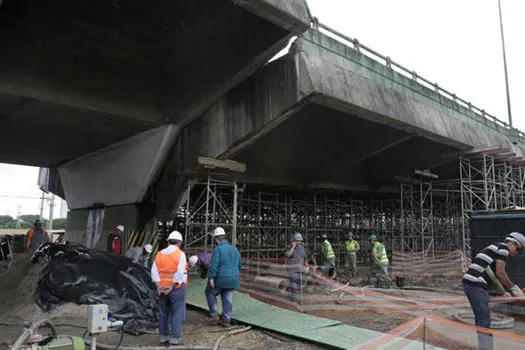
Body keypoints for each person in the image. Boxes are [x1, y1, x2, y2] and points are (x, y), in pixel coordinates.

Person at [462, 232, 525, 350]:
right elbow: (501, 273)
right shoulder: (503, 248)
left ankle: (485, 346)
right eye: (518, 250)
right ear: (512, 243)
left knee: (483, 318)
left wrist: (504, 293)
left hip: (471, 283)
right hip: (476, 284)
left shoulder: (493, 250)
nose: (516, 254)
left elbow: (494, 278)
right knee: (484, 320)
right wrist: (515, 290)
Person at [151, 231, 187, 346]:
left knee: (163, 313)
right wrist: (171, 287)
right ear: (179, 242)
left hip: (162, 289)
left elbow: (154, 272)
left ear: (168, 241)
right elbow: (180, 272)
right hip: (175, 288)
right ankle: (174, 339)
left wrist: (159, 286)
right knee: (176, 313)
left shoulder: (159, 254)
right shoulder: (180, 254)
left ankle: (163, 337)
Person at [204, 227, 242, 327]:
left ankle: (214, 315)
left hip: (221, 279)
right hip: (233, 279)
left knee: (209, 292)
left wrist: (211, 278)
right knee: (227, 297)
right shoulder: (234, 249)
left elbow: (214, 265)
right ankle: (226, 320)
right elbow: (240, 265)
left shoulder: (217, 249)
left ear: (216, 239)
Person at [284, 232, 308, 303]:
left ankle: (290, 290)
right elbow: (288, 255)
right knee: (294, 282)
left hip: (300, 268)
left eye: (300, 241)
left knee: (301, 282)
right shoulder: (289, 247)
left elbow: (305, 259)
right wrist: (293, 247)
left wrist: (307, 267)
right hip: (292, 269)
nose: (299, 242)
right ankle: (292, 300)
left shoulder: (302, 248)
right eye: (297, 241)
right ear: (293, 240)